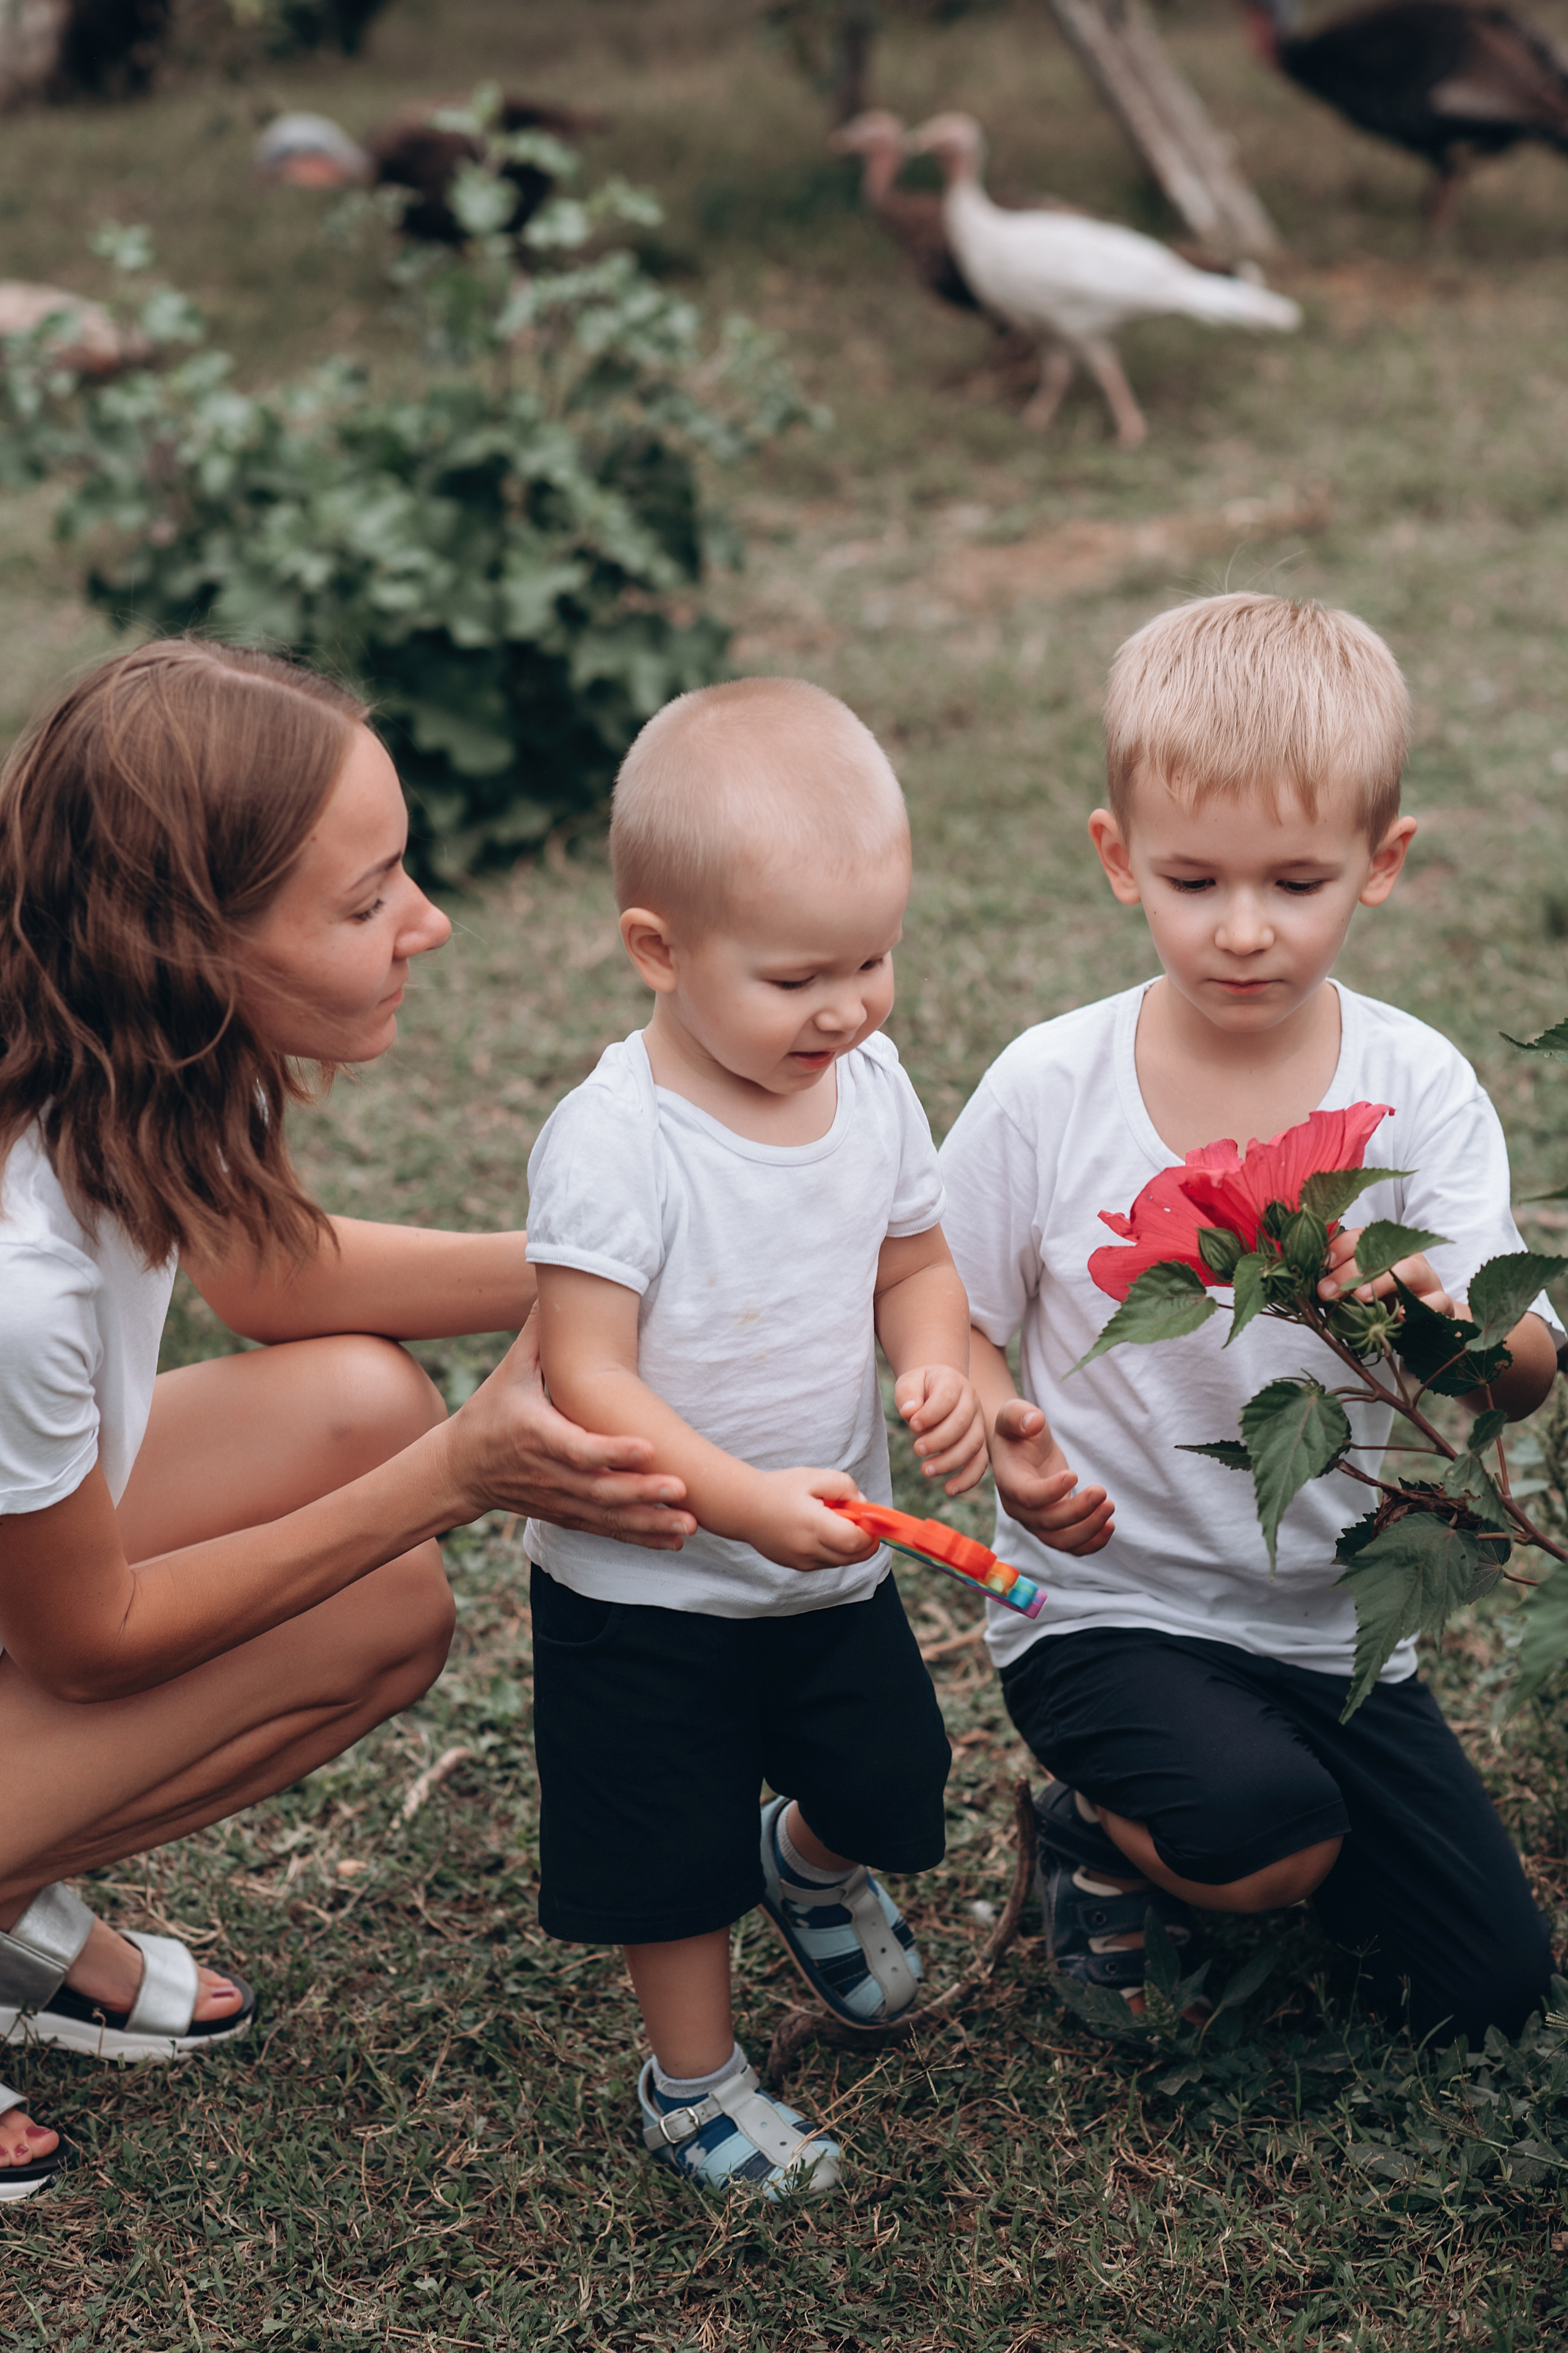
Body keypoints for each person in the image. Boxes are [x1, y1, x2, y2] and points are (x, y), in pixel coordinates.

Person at [0, 640, 697, 2202]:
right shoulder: (11, 1280)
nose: (427, 923)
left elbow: (266, 1275)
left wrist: (614, 1260)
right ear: (189, 940)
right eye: (368, 900)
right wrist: (456, 1473)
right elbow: (86, 1645)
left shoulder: (139, 1040)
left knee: (360, 1427)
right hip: (48, 1616)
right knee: (375, 1560)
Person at [939, 592, 1558, 2043]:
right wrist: (1001, 1429)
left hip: (1326, 1631)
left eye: (1293, 882)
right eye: (1190, 878)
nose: (1238, 930)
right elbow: (945, 1309)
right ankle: (1094, 1832)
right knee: (1266, 1837)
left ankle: (1254, 1817)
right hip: (1104, 1608)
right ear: (1117, 858)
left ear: (1379, 863)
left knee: (1485, 1988)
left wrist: (1437, 1324)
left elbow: (1522, 1377)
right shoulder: (1048, 1088)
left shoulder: (1416, 1085)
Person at [525, 677, 986, 2198]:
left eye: (871, 959)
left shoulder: (867, 1085)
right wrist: (734, 1502)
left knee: (892, 1779)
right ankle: (693, 2084)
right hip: (645, 1583)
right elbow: (585, 1373)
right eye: (796, 977)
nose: (845, 1008)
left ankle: (808, 1863)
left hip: (826, 1563)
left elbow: (914, 1262)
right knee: (671, 1862)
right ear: (657, 950)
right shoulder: (617, 1142)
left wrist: (932, 1365)